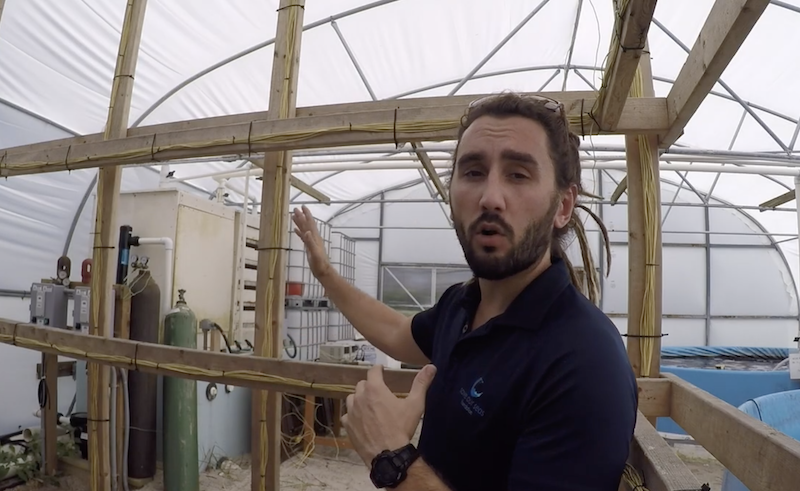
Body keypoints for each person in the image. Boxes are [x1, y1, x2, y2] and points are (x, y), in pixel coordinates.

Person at [290, 92, 638, 491]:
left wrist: (393, 457)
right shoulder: (462, 303)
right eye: (473, 172)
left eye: (518, 174)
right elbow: (398, 334)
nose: (490, 197)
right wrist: (324, 272)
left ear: (563, 206)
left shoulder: (585, 362)